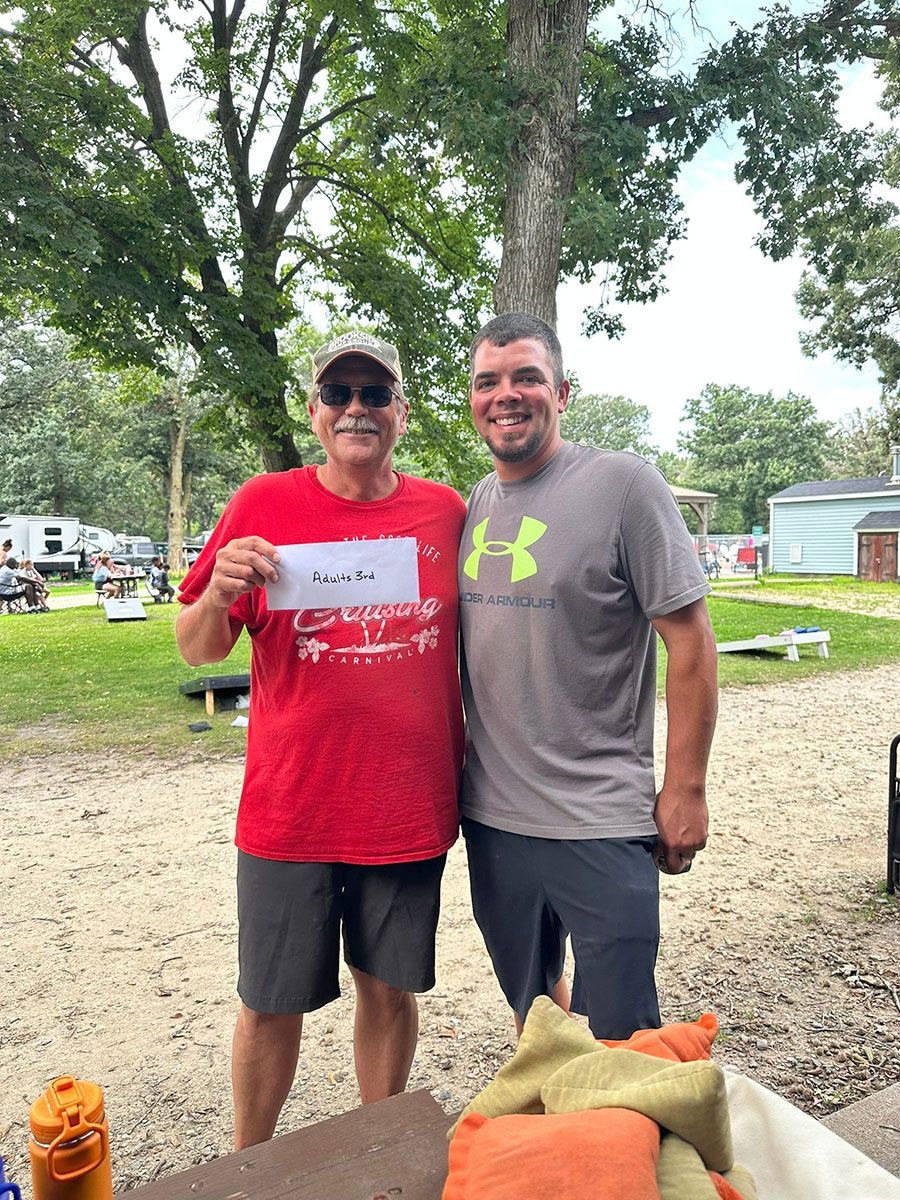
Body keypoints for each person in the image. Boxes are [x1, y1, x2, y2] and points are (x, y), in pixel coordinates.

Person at [175, 331, 465, 1149]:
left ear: (401, 412)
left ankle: (377, 1153)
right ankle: (250, 1167)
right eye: (339, 394)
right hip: (290, 809)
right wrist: (218, 593)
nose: (356, 409)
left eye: (375, 394)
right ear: (314, 412)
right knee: (270, 1003)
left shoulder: (446, 513)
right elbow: (199, 650)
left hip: (405, 806)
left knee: (388, 990)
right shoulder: (262, 503)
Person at [458, 312, 718, 1041]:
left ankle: (623, 1115)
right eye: (488, 382)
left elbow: (691, 641)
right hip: (494, 818)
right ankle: (561, 1111)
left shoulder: (625, 487)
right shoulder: (476, 503)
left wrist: (685, 789)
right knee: (537, 1016)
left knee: (625, 1035)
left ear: (563, 392)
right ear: (473, 398)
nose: (506, 396)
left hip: (600, 818)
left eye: (527, 378)